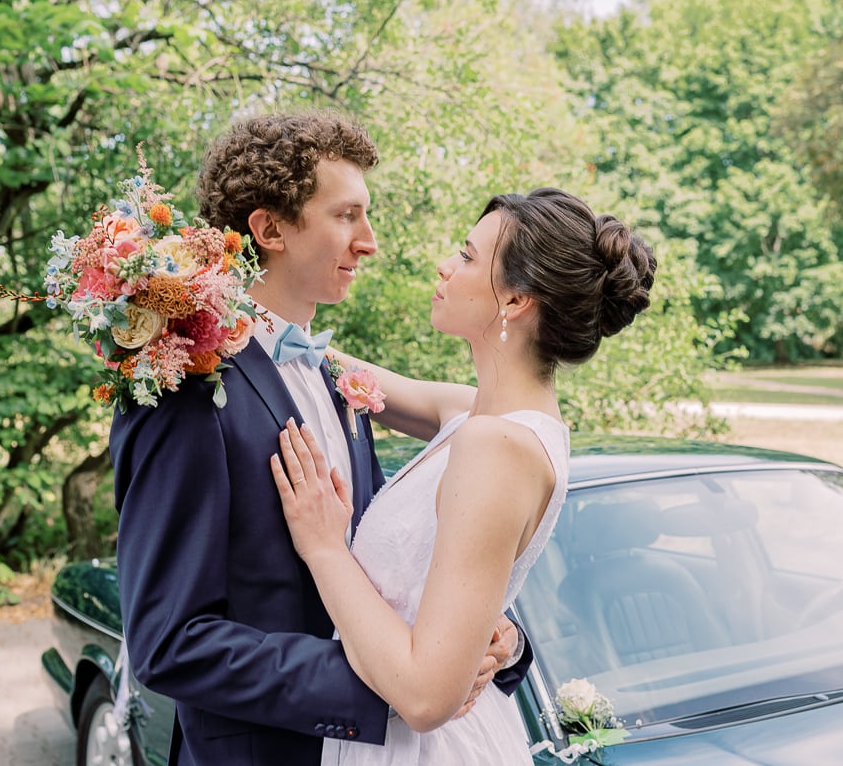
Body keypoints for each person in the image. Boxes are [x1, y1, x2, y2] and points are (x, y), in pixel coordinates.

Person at [111, 110, 529, 766]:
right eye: (346, 216)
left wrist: (489, 640)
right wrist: (380, 685)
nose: (370, 242)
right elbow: (168, 640)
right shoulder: (188, 389)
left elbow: (385, 562)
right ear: (269, 228)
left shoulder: (337, 375)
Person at [271, 187, 657, 764]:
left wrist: (325, 549)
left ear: (518, 299)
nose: (445, 266)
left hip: (421, 746)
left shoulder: (495, 445)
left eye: (469, 257)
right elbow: (332, 365)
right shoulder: (482, 416)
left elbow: (427, 696)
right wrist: (231, 308)